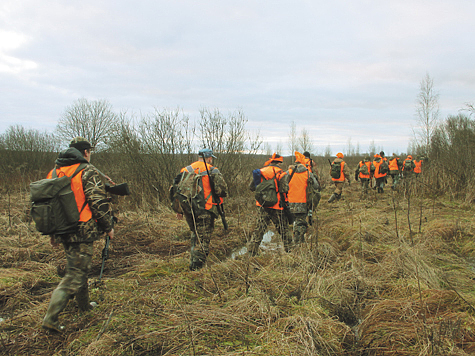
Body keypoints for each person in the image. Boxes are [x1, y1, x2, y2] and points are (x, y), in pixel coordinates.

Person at [42, 137, 114, 333]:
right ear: (85, 152)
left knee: (78, 268)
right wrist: (108, 226)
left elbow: (49, 206)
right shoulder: (86, 170)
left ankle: (84, 306)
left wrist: (52, 233)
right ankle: (50, 319)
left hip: (63, 229)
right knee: (75, 274)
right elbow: (97, 202)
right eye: (89, 151)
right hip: (82, 229)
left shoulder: (54, 171)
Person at [175, 148, 228, 271]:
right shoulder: (212, 170)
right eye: (211, 158)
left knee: (195, 235)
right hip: (206, 209)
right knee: (203, 241)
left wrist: (179, 209)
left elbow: (178, 191)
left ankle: (192, 263)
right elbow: (222, 191)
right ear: (209, 158)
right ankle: (197, 270)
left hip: (189, 210)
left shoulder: (185, 170)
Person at [248, 153, 291, 255]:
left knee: (259, 231)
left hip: (262, 205)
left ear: (271, 161)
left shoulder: (260, 172)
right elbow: (284, 189)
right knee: (284, 231)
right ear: (279, 163)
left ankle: (251, 253)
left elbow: (252, 187)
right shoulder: (281, 173)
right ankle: (290, 252)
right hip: (277, 207)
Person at [287, 152, 319, 245]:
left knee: (295, 221)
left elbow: (281, 185)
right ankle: (298, 243)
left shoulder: (288, 172)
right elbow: (316, 186)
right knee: (301, 223)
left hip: (290, 203)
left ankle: (295, 241)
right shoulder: (308, 173)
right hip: (303, 202)